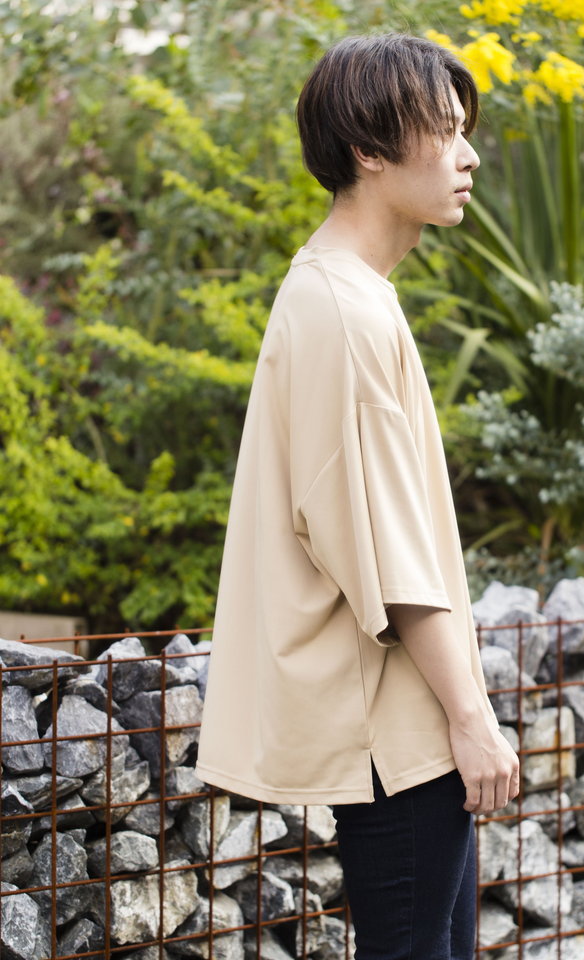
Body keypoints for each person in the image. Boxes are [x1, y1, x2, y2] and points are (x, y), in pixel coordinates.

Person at [195, 33, 520, 960]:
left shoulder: (346, 295)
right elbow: (389, 558)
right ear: (369, 151)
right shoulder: (343, 311)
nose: (468, 156)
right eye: (445, 132)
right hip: (396, 737)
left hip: (403, 734)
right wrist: (472, 718)